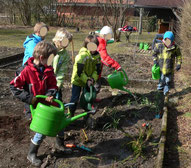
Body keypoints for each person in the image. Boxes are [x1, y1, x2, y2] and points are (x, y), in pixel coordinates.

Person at [10, 41, 66, 166]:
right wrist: (31, 99)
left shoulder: (48, 69)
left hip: (46, 103)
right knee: (42, 130)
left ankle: (60, 144)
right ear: (41, 58)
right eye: (50, 58)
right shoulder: (25, 71)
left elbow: (53, 84)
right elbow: (14, 87)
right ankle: (32, 153)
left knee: (61, 120)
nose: (51, 61)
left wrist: (49, 94)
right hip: (34, 106)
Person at [69, 35, 100, 117]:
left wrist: (93, 79)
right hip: (78, 81)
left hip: (89, 81)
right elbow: (79, 72)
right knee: (75, 98)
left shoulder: (97, 57)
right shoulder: (81, 56)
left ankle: (87, 113)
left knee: (88, 98)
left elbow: (97, 70)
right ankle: (70, 113)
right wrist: (87, 80)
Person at [152, 31, 182, 96]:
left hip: (169, 68)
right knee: (161, 81)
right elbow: (154, 54)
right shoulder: (159, 46)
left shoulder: (175, 47)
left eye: (169, 40)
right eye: (166, 40)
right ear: (164, 39)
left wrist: (178, 64)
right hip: (161, 68)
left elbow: (179, 56)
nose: (167, 42)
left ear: (172, 40)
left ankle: (166, 95)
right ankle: (159, 93)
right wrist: (155, 60)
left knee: (168, 81)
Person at [52, 28, 73, 100]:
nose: (67, 44)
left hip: (56, 83)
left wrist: (57, 86)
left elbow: (62, 72)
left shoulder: (65, 55)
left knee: (57, 101)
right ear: (58, 40)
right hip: (44, 81)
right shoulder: (48, 49)